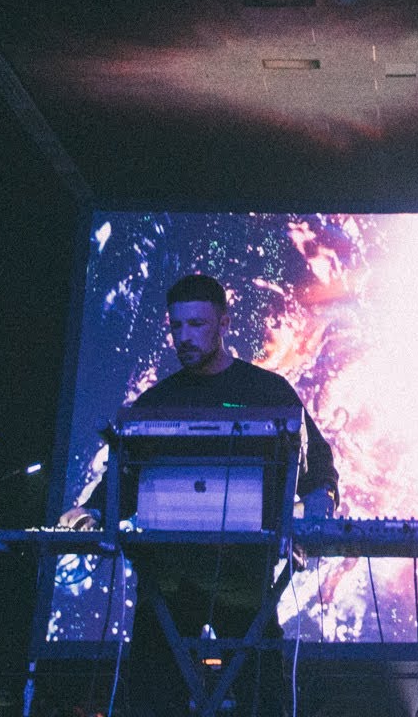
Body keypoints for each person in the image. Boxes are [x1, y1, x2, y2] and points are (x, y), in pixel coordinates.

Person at [59, 274, 339, 716]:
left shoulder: (267, 392)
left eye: (196, 324)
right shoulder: (156, 402)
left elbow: (317, 466)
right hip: (170, 577)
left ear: (223, 323)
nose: (184, 337)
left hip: (243, 574)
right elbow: (124, 481)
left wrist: (319, 510)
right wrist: (92, 510)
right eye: (176, 326)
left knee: (262, 694)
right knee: (152, 694)